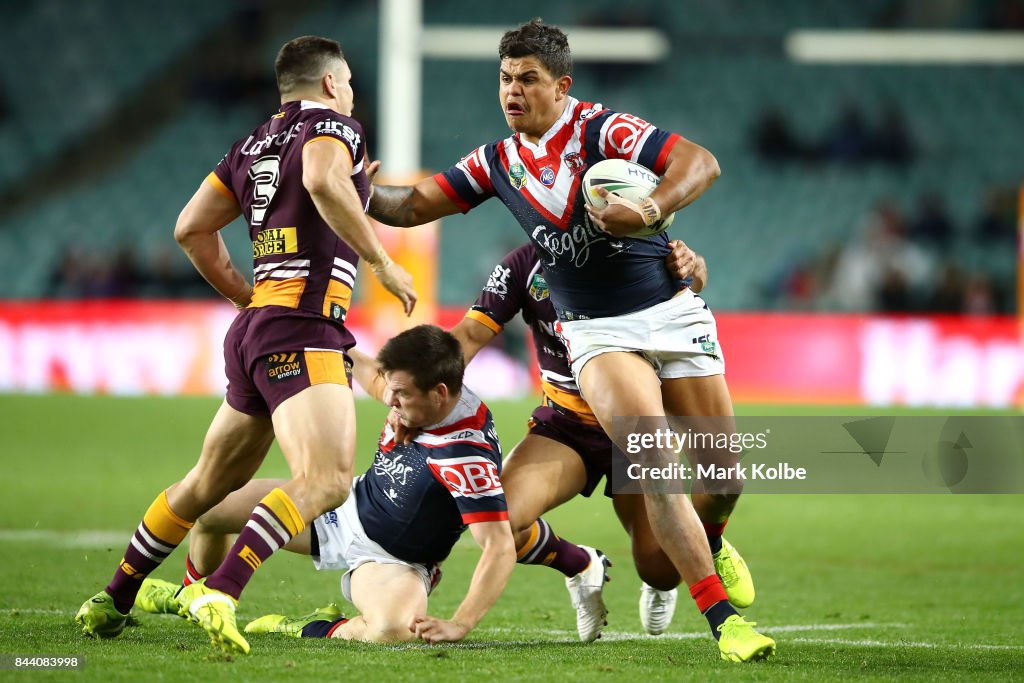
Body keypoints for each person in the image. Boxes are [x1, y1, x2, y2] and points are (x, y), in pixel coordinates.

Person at [366, 19, 774, 662]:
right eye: (504, 79)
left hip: (671, 313)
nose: (512, 91)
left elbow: (701, 164)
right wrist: (357, 190)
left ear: (562, 85)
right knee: (661, 466)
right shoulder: (496, 162)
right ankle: (726, 625)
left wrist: (648, 209)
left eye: (527, 79)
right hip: (596, 335)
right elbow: (413, 205)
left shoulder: (604, 130)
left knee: (723, 481)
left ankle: (713, 542)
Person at [74, 35, 416, 655]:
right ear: (333, 84)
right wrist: (382, 263)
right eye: (349, 85)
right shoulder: (337, 128)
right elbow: (317, 178)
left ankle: (113, 596)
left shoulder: (252, 143)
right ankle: (222, 591)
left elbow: (190, 228)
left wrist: (244, 295)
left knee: (206, 482)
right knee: (328, 479)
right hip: (305, 329)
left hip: (257, 328)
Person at [446, 240, 754, 642]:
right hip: (568, 426)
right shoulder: (526, 264)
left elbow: (691, 280)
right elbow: (470, 332)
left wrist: (693, 262)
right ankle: (580, 564)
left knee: (660, 569)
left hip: (635, 432)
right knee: (498, 521)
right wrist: (419, 382)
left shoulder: (636, 246)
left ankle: (689, 555)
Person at [138, 325, 516, 644]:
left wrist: (461, 623)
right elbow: (370, 372)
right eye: (392, 389)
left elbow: (499, 547)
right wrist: (321, 334)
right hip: (343, 506)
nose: (389, 399)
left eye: (401, 394)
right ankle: (189, 594)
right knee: (207, 508)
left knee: (391, 630)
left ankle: (307, 626)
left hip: (392, 560)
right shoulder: (426, 399)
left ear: (440, 394)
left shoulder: (466, 457)